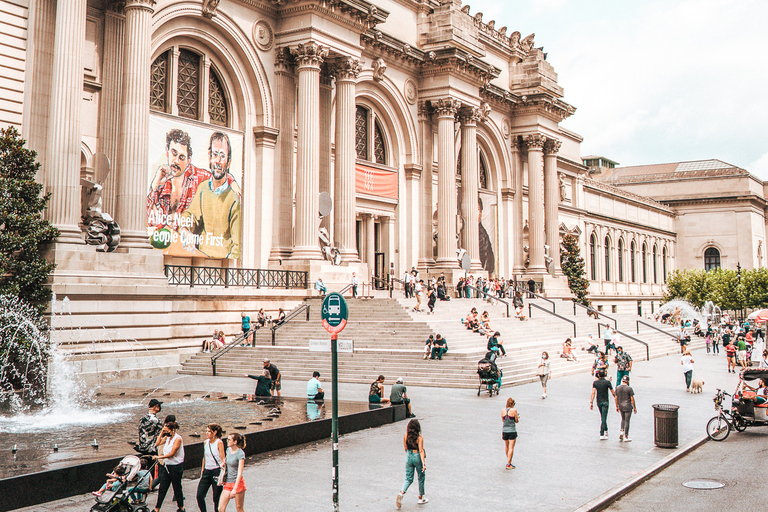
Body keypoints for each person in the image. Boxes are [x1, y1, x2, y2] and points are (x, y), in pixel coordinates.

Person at [178, 132, 241, 259]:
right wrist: (185, 227)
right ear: (209, 157)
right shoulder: (203, 188)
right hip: (200, 259)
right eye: (215, 154)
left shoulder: (233, 200)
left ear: (228, 163)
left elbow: (237, 246)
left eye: (222, 156)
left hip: (222, 265)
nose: (217, 161)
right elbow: (191, 214)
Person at [152, 420, 185, 512]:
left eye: (167, 431)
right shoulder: (167, 437)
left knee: (177, 487)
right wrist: (162, 433)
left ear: (173, 430)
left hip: (175, 467)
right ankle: (157, 508)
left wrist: (159, 457)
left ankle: (181, 507)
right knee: (162, 487)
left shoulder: (178, 439)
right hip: (167, 466)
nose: (166, 433)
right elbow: (157, 443)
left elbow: (172, 453)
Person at [396, 419, 428, 508]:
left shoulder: (405, 436)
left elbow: (405, 448)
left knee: (408, 478)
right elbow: (421, 451)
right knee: (421, 476)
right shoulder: (419, 438)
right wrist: (424, 464)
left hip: (408, 456)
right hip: (416, 455)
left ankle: (401, 492)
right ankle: (421, 497)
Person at [197, 424, 226, 512]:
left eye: (209, 431)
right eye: (207, 431)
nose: (207, 433)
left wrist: (223, 468)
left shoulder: (219, 442)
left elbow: (223, 458)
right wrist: (202, 470)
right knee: (200, 495)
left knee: (216, 497)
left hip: (216, 471)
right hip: (207, 471)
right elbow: (204, 457)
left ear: (215, 432)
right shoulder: (206, 442)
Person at [218, 433, 246, 512]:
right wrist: (223, 463)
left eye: (229, 439)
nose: (227, 441)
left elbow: (240, 472)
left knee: (239, 508)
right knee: (221, 508)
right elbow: (227, 461)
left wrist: (235, 489)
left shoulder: (240, 454)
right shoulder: (228, 450)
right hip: (228, 483)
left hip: (238, 483)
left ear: (235, 442)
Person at [590, 370, 615, 440]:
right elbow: (613, 392)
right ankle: (602, 433)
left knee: (603, 416)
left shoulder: (595, 383)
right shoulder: (607, 382)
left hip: (599, 401)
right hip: (605, 401)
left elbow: (593, 393)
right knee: (604, 417)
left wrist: (591, 402)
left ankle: (606, 430)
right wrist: (617, 399)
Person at [615, 375, 637, 442]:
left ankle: (621, 431)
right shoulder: (629, 388)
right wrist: (634, 407)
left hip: (621, 405)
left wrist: (617, 406)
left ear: (622, 380)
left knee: (623, 419)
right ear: (628, 381)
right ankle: (626, 436)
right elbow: (632, 399)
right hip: (628, 406)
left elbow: (616, 398)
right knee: (627, 421)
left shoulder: (618, 388)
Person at [501, 397, 519, 469]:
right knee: (511, 447)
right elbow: (516, 420)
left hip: (504, 430)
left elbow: (503, 420)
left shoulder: (503, 410)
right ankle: (508, 463)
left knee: (506, 446)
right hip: (512, 430)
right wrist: (518, 417)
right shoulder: (514, 410)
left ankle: (509, 460)